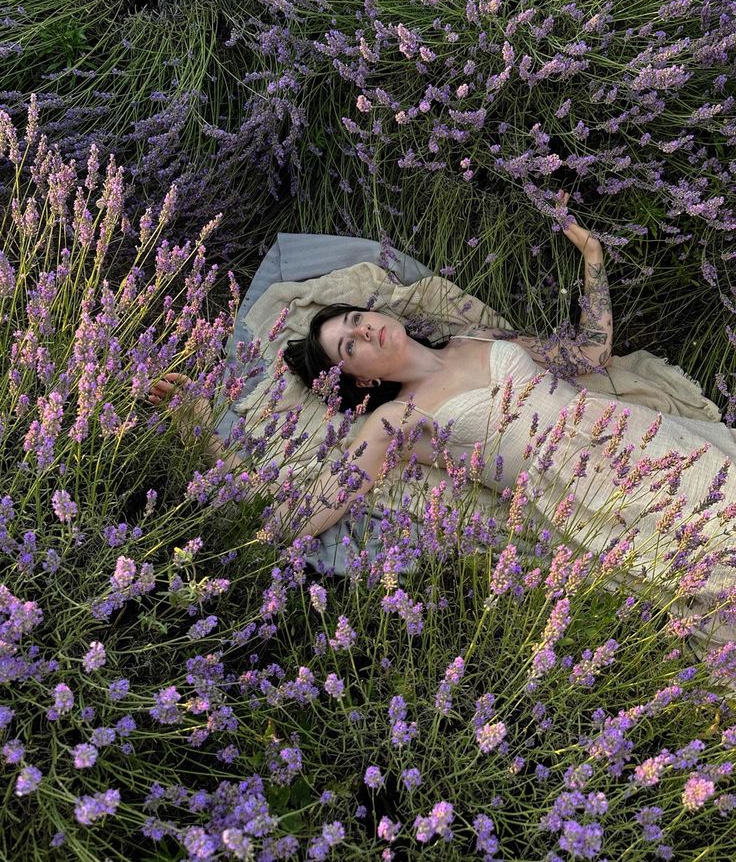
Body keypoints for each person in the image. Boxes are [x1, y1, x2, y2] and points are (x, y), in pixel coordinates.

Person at [149, 193, 736, 657]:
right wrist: (205, 432)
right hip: (594, 497)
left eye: (357, 319)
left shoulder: (472, 337)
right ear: (357, 381)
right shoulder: (394, 420)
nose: (364, 331)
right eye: (348, 347)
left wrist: (593, 262)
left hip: (645, 439)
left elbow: (589, 357)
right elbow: (300, 517)